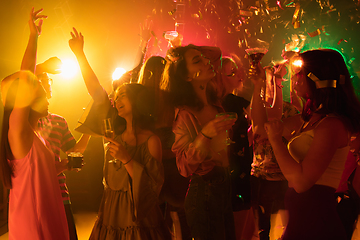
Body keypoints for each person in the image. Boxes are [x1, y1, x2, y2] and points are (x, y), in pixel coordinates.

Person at [69, 27, 171, 240]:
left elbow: (153, 189)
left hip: (138, 215)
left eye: (122, 95)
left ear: (138, 101)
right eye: (116, 97)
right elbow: (96, 91)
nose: (116, 100)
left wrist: (126, 159)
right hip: (110, 209)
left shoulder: (151, 141)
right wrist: (79, 54)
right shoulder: (114, 131)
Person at [261, 49, 360, 240]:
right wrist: (260, 82)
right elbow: (262, 128)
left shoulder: (332, 125)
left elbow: (301, 182)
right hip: (301, 224)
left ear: (318, 79)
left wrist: (275, 141)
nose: (295, 80)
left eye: (299, 74)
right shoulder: (309, 120)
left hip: (318, 227)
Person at [0, 8, 69, 240]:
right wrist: (33, 36)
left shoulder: (32, 135)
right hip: (35, 227)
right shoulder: (18, 130)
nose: (47, 97)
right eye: (39, 92)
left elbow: (38, 175)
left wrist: (64, 166)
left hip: (45, 221)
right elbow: (26, 74)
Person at [161, 44, 237, 240]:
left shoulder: (215, 105)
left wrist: (190, 51)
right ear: (186, 77)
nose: (206, 61)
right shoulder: (185, 114)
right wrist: (205, 134)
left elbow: (216, 52)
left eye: (204, 58)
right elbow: (184, 167)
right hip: (204, 192)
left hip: (224, 187)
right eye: (197, 61)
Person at [35, 58, 91, 240]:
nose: (48, 83)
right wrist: (40, 68)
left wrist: (89, 129)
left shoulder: (59, 121)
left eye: (48, 80)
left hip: (59, 192)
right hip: (35, 192)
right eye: (41, 80)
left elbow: (74, 151)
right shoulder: (27, 121)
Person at [138, 55, 191, 240]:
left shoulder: (141, 101)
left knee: (155, 219)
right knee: (180, 215)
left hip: (154, 165)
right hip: (172, 164)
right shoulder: (174, 98)